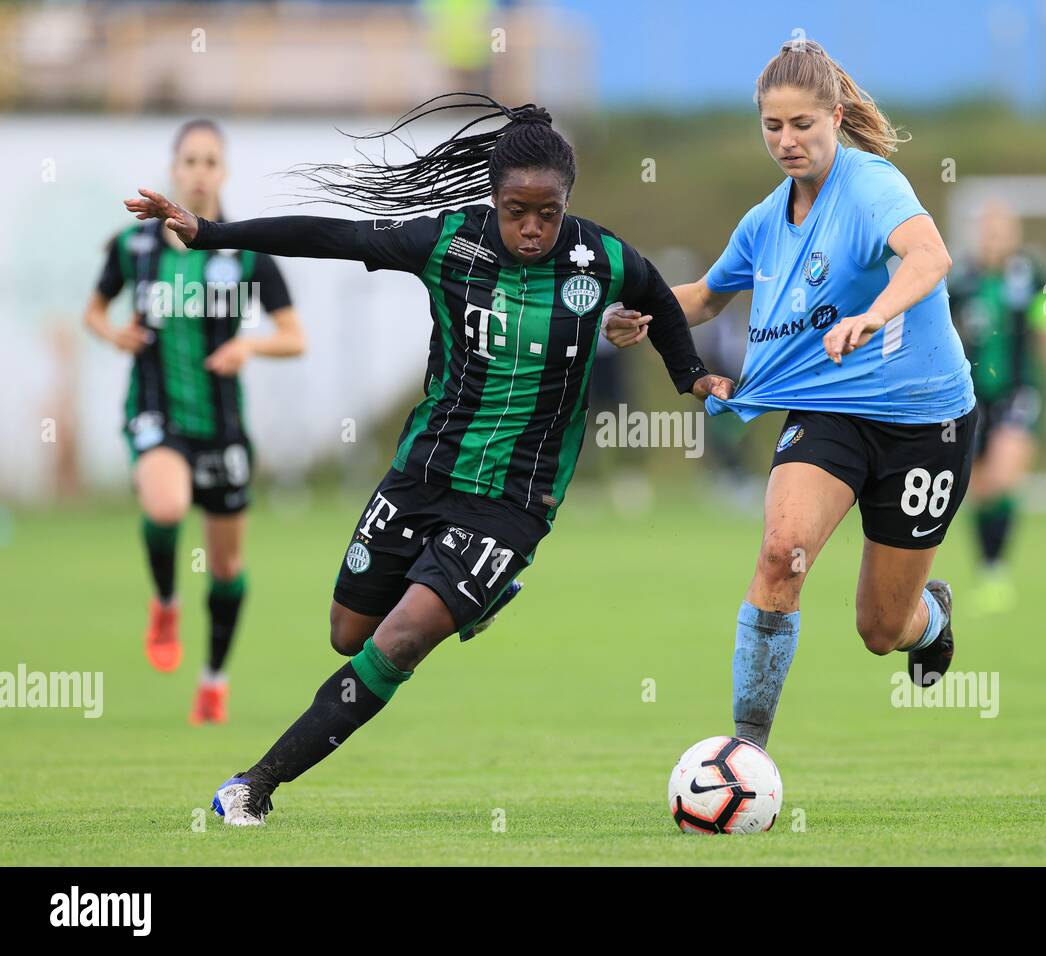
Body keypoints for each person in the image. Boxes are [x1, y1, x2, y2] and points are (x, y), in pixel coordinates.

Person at [123, 94, 731, 825]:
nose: (532, 227)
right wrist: (213, 230)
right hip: (422, 474)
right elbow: (334, 235)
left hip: (513, 501)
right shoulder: (447, 243)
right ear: (493, 198)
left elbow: (660, 299)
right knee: (347, 633)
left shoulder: (597, 256)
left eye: (547, 210)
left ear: (567, 200)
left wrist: (689, 375)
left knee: (398, 641)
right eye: (516, 210)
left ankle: (254, 785)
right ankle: (484, 596)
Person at [605, 40, 977, 755]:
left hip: (927, 422)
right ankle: (746, 756)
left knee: (880, 629)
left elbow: (931, 256)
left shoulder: (872, 186)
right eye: (772, 126)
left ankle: (931, 619)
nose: (786, 141)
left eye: (802, 124)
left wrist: (874, 313)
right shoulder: (764, 222)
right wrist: (639, 315)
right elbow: (709, 298)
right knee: (782, 555)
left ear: (836, 116)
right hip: (831, 413)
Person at [85, 118, 305, 723]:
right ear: (174, 169)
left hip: (223, 427)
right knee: (164, 506)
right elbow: (94, 312)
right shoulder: (134, 248)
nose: (199, 172)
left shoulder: (245, 252)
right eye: (190, 161)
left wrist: (248, 347)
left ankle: (212, 680)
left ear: (223, 172)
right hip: (156, 413)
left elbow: (294, 336)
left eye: (211, 161)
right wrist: (113, 332)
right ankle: (165, 602)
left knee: (228, 566)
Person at [947, 200, 1046, 613]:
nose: (994, 239)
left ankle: (996, 572)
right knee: (980, 486)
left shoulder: (1035, 280)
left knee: (1004, 475)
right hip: (972, 397)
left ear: (1015, 235)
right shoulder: (960, 282)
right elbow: (941, 336)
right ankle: (989, 568)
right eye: (987, 231)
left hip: (1019, 392)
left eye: (1001, 231)